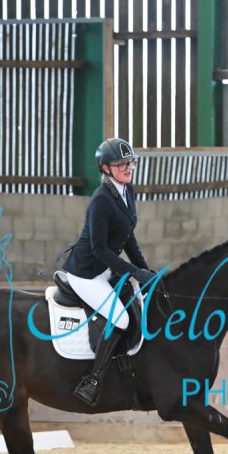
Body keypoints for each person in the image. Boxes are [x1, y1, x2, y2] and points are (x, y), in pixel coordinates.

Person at [62, 137, 154, 406]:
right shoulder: (101, 200)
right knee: (121, 320)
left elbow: (128, 238)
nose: (128, 167)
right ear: (105, 168)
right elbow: (99, 249)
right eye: (121, 164)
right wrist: (135, 272)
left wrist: (145, 271)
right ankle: (92, 381)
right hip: (87, 273)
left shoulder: (128, 191)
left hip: (106, 269)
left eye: (130, 162)